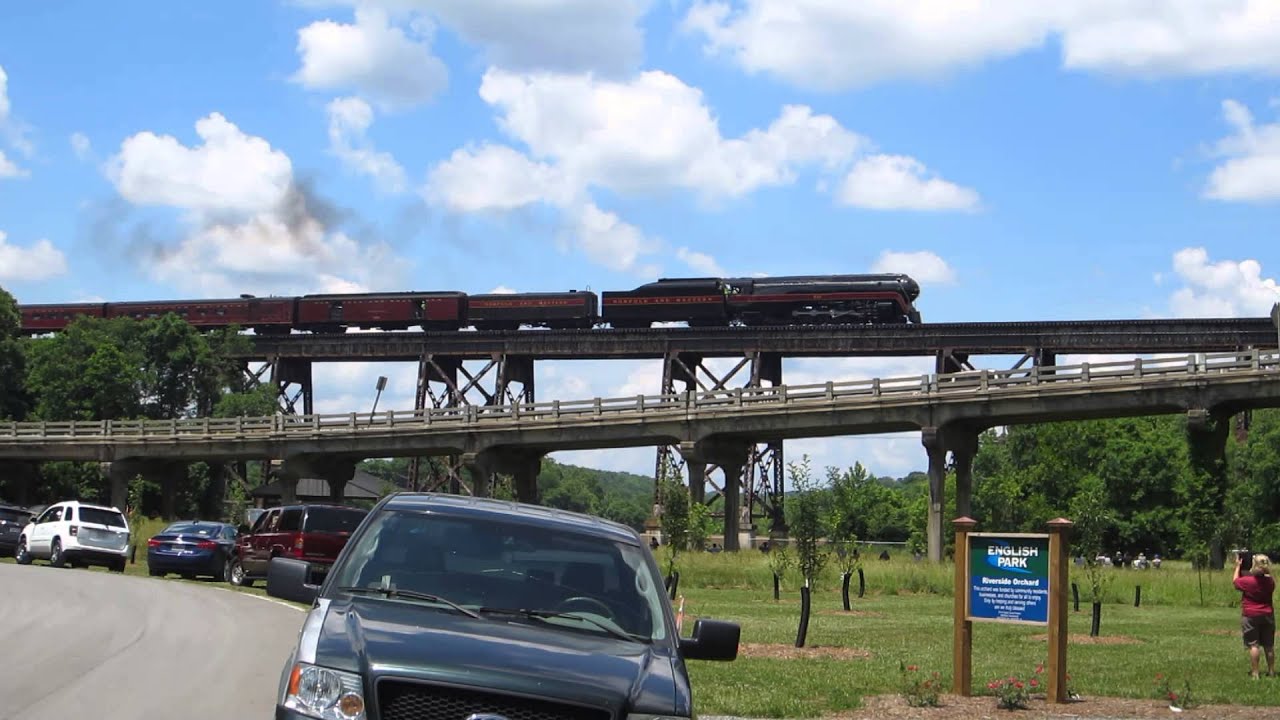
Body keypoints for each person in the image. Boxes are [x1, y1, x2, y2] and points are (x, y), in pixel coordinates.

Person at [1234, 552, 1276, 679]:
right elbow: (1267, 576)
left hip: (1251, 614)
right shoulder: (1270, 582)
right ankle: (1271, 671)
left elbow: (1235, 582)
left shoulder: (1247, 582)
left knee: (1254, 645)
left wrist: (1237, 567)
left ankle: (1256, 673)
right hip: (1267, 614)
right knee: (1269, 645)